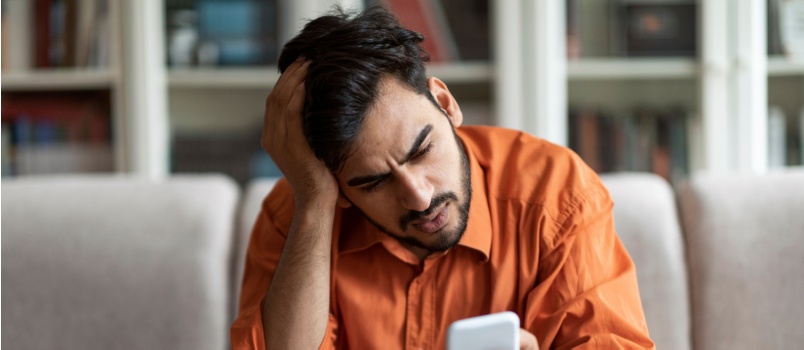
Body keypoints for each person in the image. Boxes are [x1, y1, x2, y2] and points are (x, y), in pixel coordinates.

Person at [231, 6, 655, 350]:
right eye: (372, 182)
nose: (418, 196)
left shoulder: (557, 193)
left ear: (446, 104)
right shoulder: (294, 214)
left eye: (422, 150)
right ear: (337, 187)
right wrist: (313, 205)